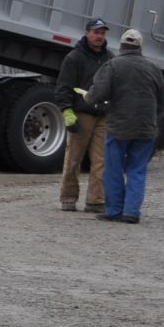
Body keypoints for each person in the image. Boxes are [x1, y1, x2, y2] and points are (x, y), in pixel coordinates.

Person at [84, 27, 164, 224]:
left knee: (113, 169)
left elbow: (97, 94)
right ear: (140, 47)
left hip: (118, 128)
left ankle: (114, 211)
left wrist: (89, 98)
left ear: (122, 46)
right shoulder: (153, 68)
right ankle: (131, 212)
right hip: (146, 129)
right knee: (137, 170)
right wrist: (151, 118)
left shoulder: (113, 65)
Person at [54, 18, 113, 212]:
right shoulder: (74, 58)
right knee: (73, 159)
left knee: (100, 161)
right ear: (87, 33)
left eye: (102, 33)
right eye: (96, 32)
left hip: (103, 115)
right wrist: (67, 111)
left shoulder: (110, 59)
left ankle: (96, 201)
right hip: (82, 114)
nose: (99, 37)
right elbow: (63, 88)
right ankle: (68, 198)